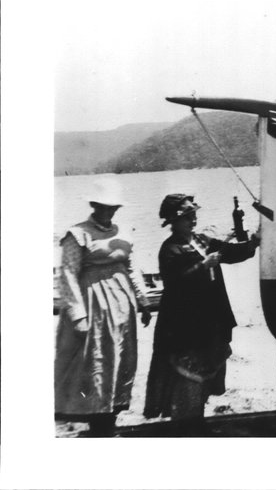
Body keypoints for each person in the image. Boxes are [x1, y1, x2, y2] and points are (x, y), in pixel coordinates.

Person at [143, 193, 259, 435]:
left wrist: (254, 242)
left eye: (193, 215)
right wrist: (202, 266)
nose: (193, 220)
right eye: (187, 217)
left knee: (204, 377)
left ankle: (196, 423)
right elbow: (175, 283)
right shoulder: (170, 249)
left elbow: (235, 252)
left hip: (209, 320)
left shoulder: (203, 241)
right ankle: (186, 427)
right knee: (186, 380)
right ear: (173, 222)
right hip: (184, 324)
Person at [54, 179, 152, 437]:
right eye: (104, 206)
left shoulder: (123, 232)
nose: (109, 212)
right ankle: (97, 422)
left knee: (122, 359)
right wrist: (78, 314)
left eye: (113, 207)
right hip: (94, 307)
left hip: (122, 305)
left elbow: (131, 267)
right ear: (94, 205)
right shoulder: (77, 233)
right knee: (96, 361)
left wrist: (143, 301)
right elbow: (67, 274)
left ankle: (111, 417)